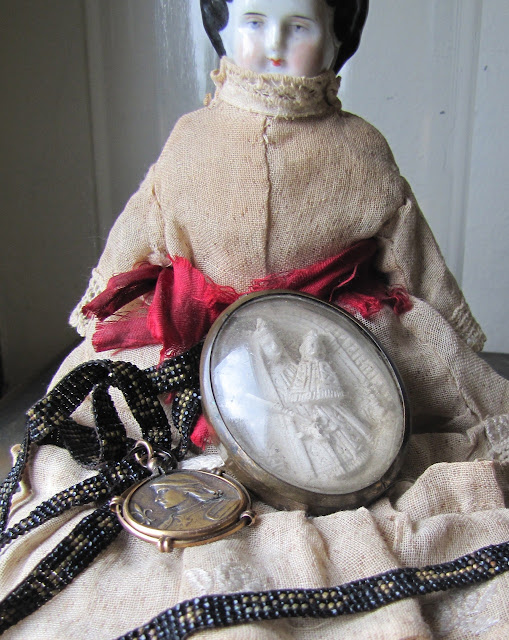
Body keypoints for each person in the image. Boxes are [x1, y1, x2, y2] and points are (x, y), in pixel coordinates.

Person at [1, 1, 508, 638]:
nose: (273, 43)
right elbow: (144, 221)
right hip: (196, 335)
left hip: (332, 334)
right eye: (254, 21)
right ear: (222, 28)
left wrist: (444, 318)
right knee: (125, 434)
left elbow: (407, 241)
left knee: (394, 425)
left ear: (338, 36)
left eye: (300, 26)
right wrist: (105, 297)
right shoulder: (191, 138)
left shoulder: (361, 147)